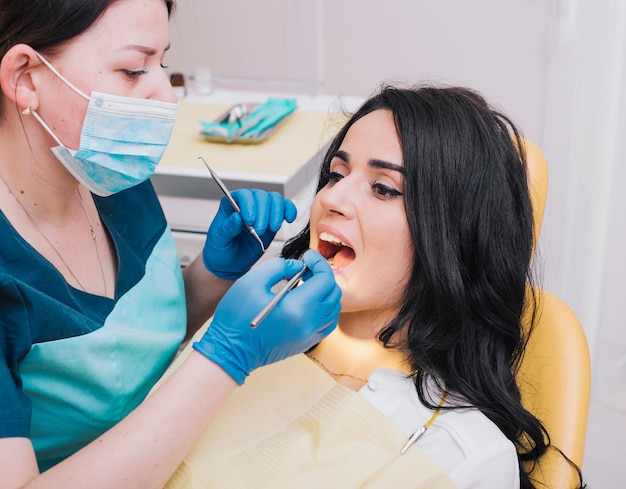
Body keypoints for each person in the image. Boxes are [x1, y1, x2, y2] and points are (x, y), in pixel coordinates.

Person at [161, 85, 586, 489]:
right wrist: (210, 302)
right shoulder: (250, 334)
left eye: (383, 188)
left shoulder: (464, 455)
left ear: (451, 238)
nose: (332, 199)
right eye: (334, 174)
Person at [0, 0, 341, 487]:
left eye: (162, 64)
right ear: (26, 77)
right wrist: (227, 355)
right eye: (133, 69)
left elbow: (133, 339)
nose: (166, 97)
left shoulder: (107, 173)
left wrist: (211, 278)